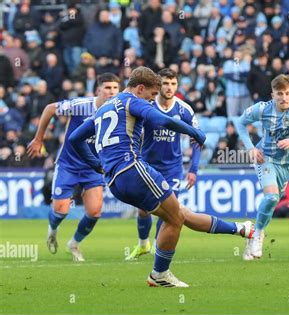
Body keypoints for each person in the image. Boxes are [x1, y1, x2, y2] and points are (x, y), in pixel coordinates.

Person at [68, 67, 252, 288]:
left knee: (179, 213)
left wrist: (96, 164)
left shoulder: (104, 108)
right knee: (175, 218)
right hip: (132, 168)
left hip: (115, 180)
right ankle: (160, 274)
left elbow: (75, 138)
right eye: (152, 94)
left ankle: (241, 229)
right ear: (140, 88)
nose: (152, 99)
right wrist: (194, 132)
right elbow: (161, 119)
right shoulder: (131, 101)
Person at [126, 68, 254, 260]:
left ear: (177, 85)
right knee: (144, 209)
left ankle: (157, 248)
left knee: (168, 212)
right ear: (158, 85)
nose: (169, 87)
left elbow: (197, 140)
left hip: (172, 169)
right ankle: (143, 244)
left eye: (173, 83)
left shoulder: (184, 109)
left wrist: (193, 169)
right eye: (165, 83)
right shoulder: (147, 106)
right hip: (147, 165)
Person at [26, 73, 120, 261]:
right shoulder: (82, 105)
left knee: (95, 212)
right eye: (107, 88)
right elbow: (49, 109)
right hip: (68, 164)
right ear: (98, 90)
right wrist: (38, 139)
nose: (111, 92)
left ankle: (74, 244)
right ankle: (52, 230)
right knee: (61, 210)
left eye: (115, 88)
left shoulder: (119, 111)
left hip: (93, 167)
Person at [236, 74, 289, 260]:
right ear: (272, 94)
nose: (284, 97)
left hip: (287, 163)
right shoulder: (263, 109)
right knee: (272, 196)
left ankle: (253, 233)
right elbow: (240, 123)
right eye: (279, 93)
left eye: (287, 93)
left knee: (273, 200)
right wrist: (250, 148)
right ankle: (258, 235)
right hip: (265, 158)